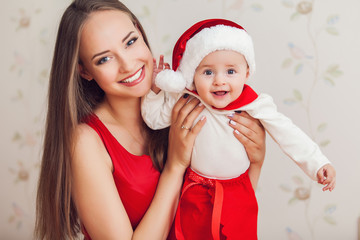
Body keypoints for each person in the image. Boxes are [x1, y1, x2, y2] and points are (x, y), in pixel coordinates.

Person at [34, 1, 267, 239]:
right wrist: (175, 166)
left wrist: (256, 162)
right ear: (84, 71)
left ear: (140, 32)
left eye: (130, 42)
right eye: (104, 59)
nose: (128, 64)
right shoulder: (84, 141)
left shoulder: (180, 105)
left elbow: (226, 211)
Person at [141, 19, 336, 240]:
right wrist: (155, 91)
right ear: (192, 76)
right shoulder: (188, 100)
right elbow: (154, 120)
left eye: (231, 71)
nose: (219, 81)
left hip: (238, 191)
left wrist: (317, 163)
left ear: (247, 73)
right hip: (195, 189)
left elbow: (287, 132)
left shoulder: (254, 104)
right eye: (207, 72)